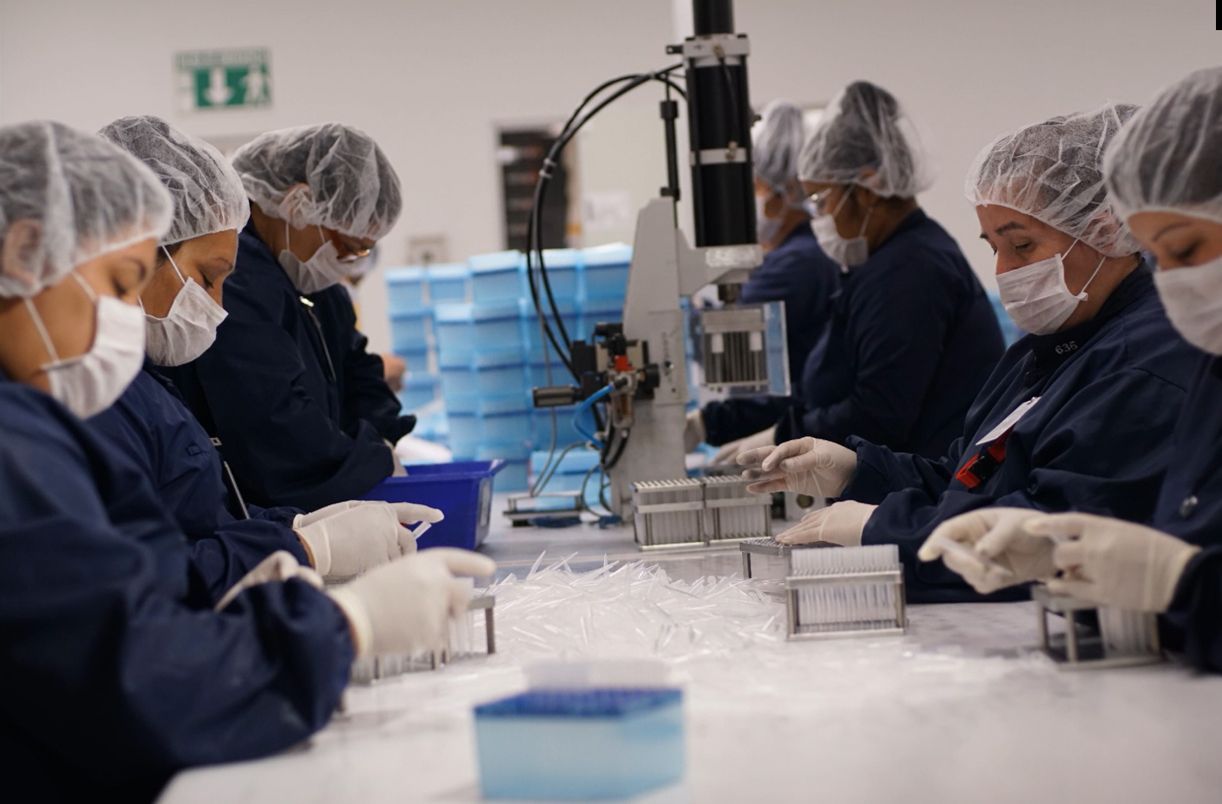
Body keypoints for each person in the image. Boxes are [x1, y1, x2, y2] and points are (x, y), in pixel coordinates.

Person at [0, 121, 495, 800]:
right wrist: (345, 625)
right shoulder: (19, 444)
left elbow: (140, 571)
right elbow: (138, 681)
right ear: (26, 251)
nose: (124, 316)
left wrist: (285, 536)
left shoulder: (53, 417)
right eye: (118, 285)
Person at [740, 103, 1201, 603]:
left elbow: (1038, 539)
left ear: (1105, 231)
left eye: (1022, 246)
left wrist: (883, 528)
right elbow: (968, 476)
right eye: (993, 246)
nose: (1003, 270)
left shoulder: (1144, 363)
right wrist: (858, 471)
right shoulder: (1047, 350)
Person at [921, 67, 1222, 672]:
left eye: (1185, 251)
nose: (1173, 283)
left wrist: (1178, 580)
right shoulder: (1205, 372)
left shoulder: (1151, 361)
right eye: (1158, 257)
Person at [87, 115, 440, 602]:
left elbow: (203, 520)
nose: (218, 304)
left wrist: (287, 528)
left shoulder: (144, 382)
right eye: (210, 278)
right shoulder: (90, 400)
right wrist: (303, 549)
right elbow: (144, 586)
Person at [162, 123, 413, 511]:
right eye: (347, 246)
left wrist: (379, 437)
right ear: (300, 205)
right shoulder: (239, 277)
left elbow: (358, 371)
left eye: (361, 254)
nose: (347, 263)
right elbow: (274, 425)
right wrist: (368, 459)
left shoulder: (313, 284)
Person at [777, 81, 1003, 461]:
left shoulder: (909, 272)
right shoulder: (891, 259)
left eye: (821, 199)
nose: (818, 217)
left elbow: (879, 414)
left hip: (922, 489)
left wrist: (786, 436)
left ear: (867, 189)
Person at [686, 100, 839, 461]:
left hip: (798, 434)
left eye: (753, 189)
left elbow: (750, 381)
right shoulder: (808, 251)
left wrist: (707, 425)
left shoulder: (792, 266)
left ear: (784, 193)